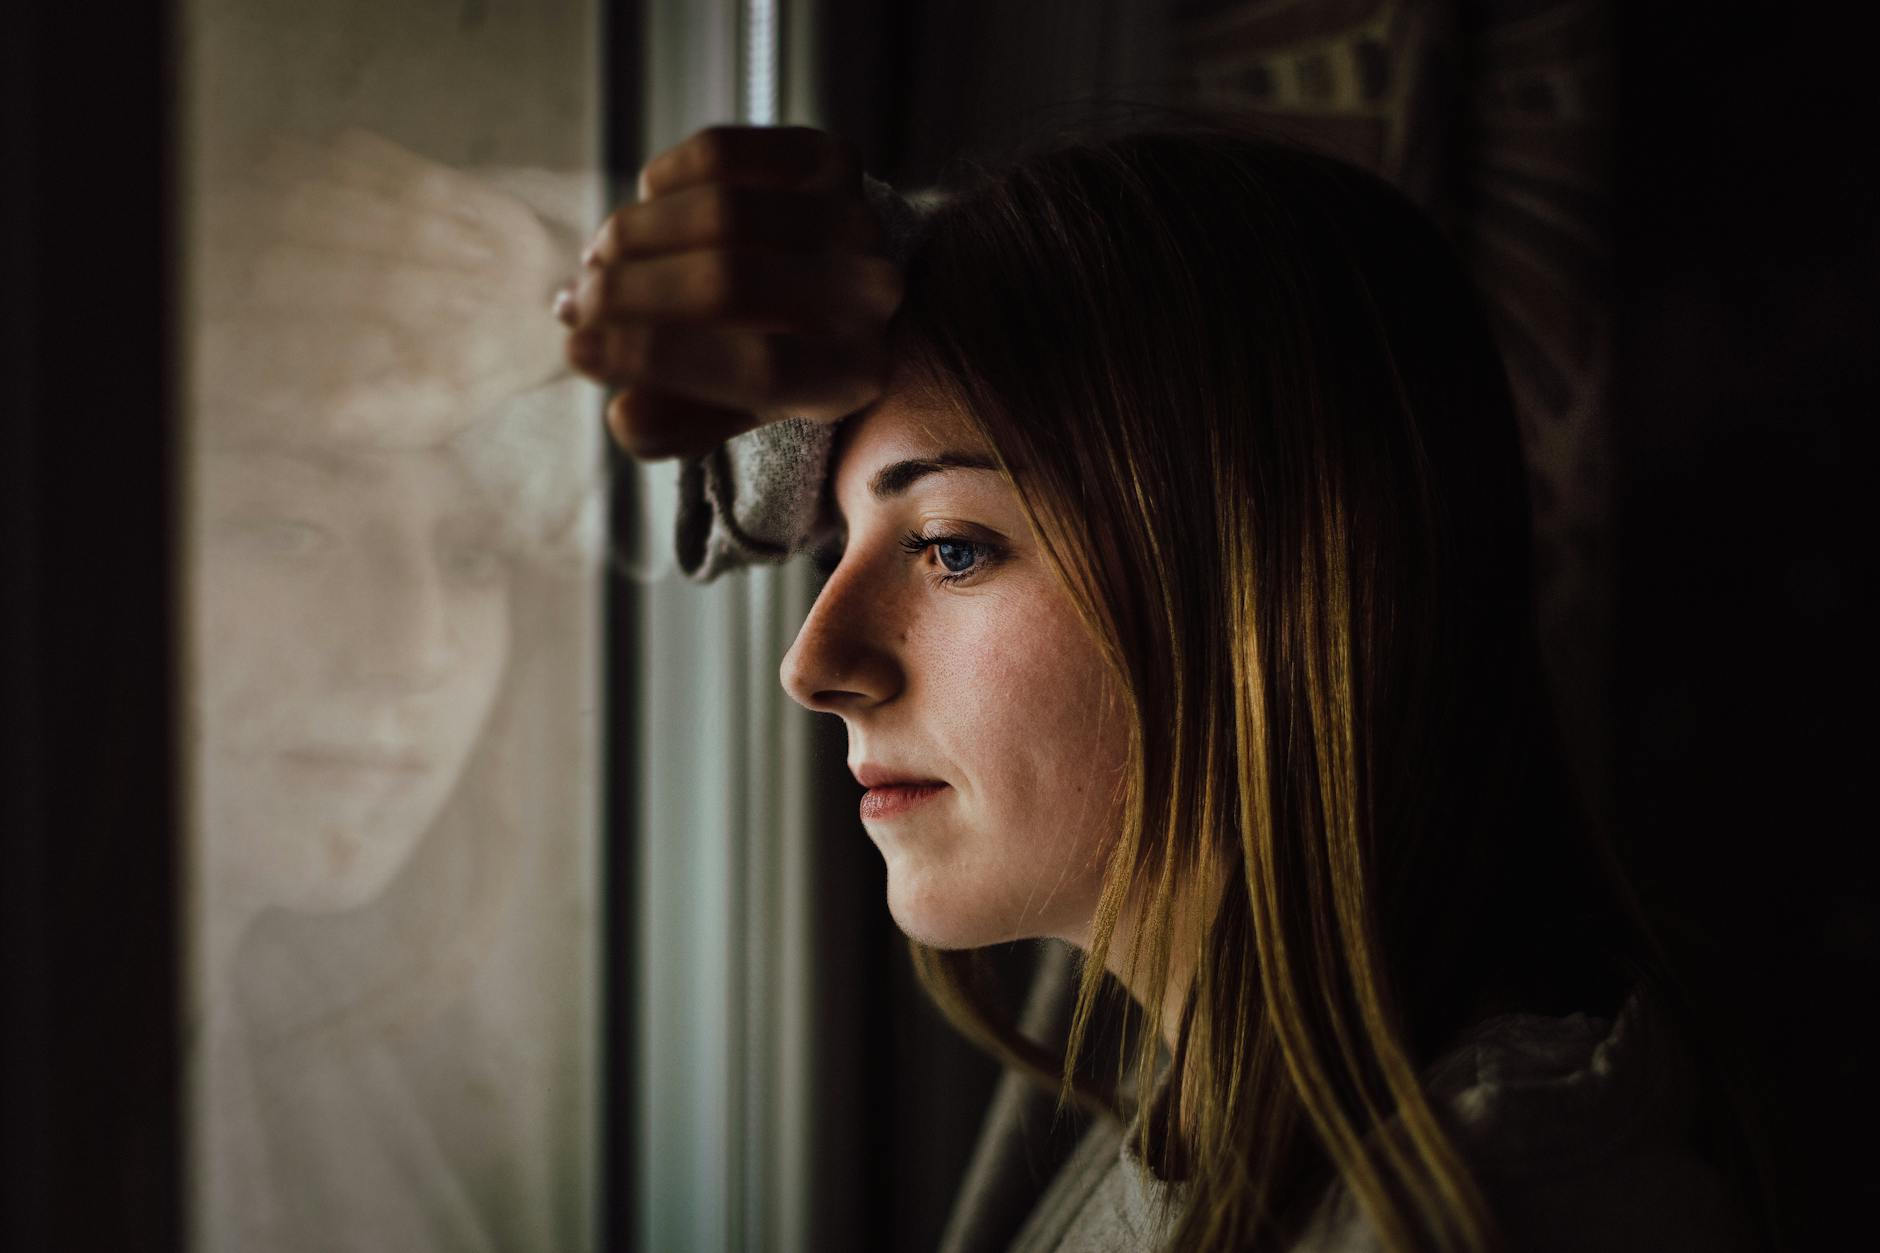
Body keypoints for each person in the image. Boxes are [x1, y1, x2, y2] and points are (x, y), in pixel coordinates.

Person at [561, 119, 1773, 1251]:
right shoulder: (1198, 1067)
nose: (813, 664)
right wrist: (866, 274)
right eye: (838, 543)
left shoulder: (1473, 1200)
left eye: (951, 547)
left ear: (1263, 583)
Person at [191, 128, 603, 1253]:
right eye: (286, 530)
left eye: (474, 554)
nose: (413, 648)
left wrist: (552, 289)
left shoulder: (352, 1056)